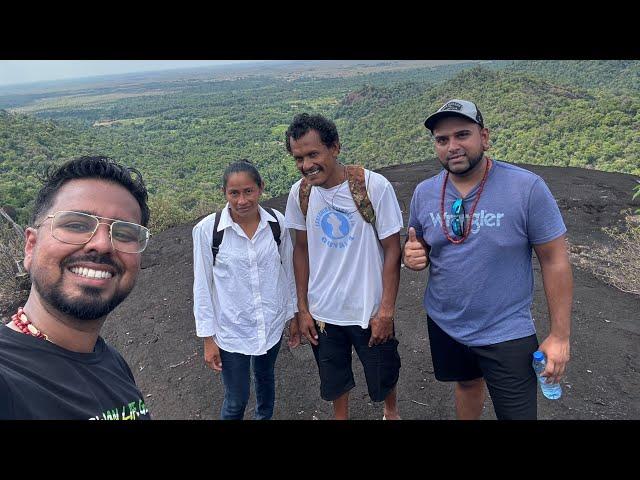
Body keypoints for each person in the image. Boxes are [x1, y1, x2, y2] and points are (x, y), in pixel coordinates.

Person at [404, 99, 573, 420]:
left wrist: (560, 335)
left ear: (484, 136)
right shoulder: (424, 192)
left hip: (506, 329)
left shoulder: (526, 188)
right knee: (467, 385)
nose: (452, 146)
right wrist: (412, 255)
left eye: (462, 135)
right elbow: (418, 244)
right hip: (446, 321)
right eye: (442, 139)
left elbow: (555, 260)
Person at [0, 156, 152, 420]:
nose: (102, 244)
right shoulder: (8, 377)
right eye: (76, 225)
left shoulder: (109, 359)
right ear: (31, 247)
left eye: (124, 233)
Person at [284, 113, 403, 420]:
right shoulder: (300, 193)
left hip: (368, 307)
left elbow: (392, 250)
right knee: (333, 377)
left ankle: (391, 411)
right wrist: (303, 308)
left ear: (334, 147)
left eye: (313, 154)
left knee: (383, 372)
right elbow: (301, 249)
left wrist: (386, 311)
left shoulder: (373, 186)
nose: (306, 165)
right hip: (324, 311)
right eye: (299, 158)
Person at [192, 159, 298, 420]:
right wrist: (208, 338)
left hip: (270, 323)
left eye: (248, 191)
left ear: (261, 188)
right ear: (224, 193)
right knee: (236, 399)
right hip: (232, 329)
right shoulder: (208, 231)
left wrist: (292, 315)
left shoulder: (276, 223)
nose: (242, 200)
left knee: (266, 382)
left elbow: (288, 273)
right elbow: (202, 285)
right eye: (234, 193)